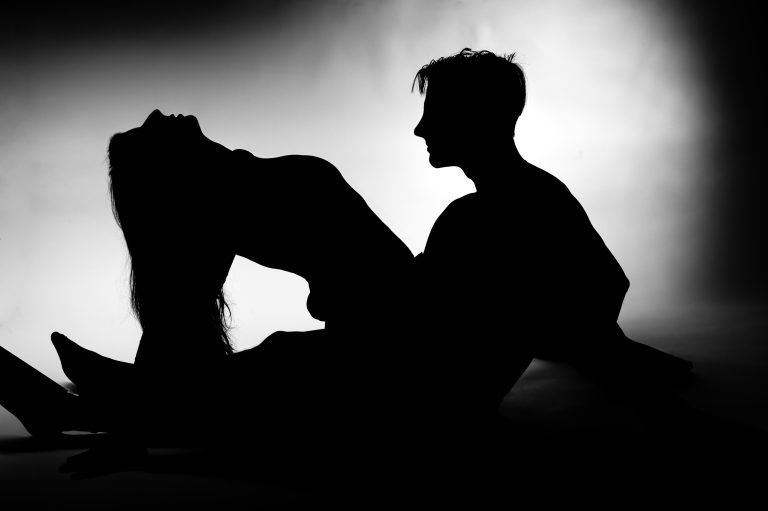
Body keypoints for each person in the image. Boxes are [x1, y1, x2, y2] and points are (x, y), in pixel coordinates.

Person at [0, 49, 691, 452]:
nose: (420, 128)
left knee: (280, 338)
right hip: (403, 358)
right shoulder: (518, 202)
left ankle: (107, 400)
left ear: (478, 117)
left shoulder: (501, 209)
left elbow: (580, 296)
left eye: (435, 112)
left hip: (409, 386)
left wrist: (611, 359)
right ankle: (151, 370)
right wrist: (586, 342)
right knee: (306, 197)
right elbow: (591, 291)